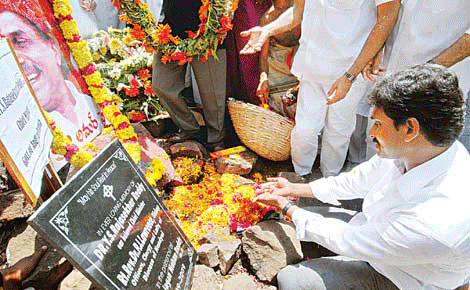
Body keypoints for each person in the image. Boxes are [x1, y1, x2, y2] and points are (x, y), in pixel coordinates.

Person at [254, 64, 470, 289]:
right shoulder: (424, 148)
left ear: (410, 129)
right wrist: (294, 190)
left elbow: (349, 240)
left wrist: (289, 208)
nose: (371, 132)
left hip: (404, 277)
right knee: (297, 224)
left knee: (293, 280)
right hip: (376, 234)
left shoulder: (438, 219)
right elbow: (359, 179)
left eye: (377, 124)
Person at [240, 0, 400, 177]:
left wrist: (350, 75)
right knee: (304, 130)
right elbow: (297, 13)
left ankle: (329, 180)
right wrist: (267, 30)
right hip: (311, 66)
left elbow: (387, 17)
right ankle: (301, 175)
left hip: (349, 69)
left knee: (338, 131)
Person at [0, 5, 103, 146]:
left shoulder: (97, 102)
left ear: (53, 47)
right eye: (6, 55)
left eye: (22, 42)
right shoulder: (31, 147)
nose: (18, 61)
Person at [152, 0, 226, 151]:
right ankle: (190, 129)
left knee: (212, 92)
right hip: (170, 31)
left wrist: (224, 19)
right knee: (162, 84)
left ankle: (216, 137)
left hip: (207, 31)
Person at [256, 0, 300, 119]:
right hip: (277, 68)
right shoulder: (267, 18)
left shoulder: (301, 9)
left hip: (302, 67)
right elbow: (263, 57)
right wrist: (263, 79)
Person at [226, 0, 272, 105]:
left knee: (253, 50)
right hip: (237, 7)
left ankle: (258, 103)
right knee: (239, 54)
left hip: (254, 5)